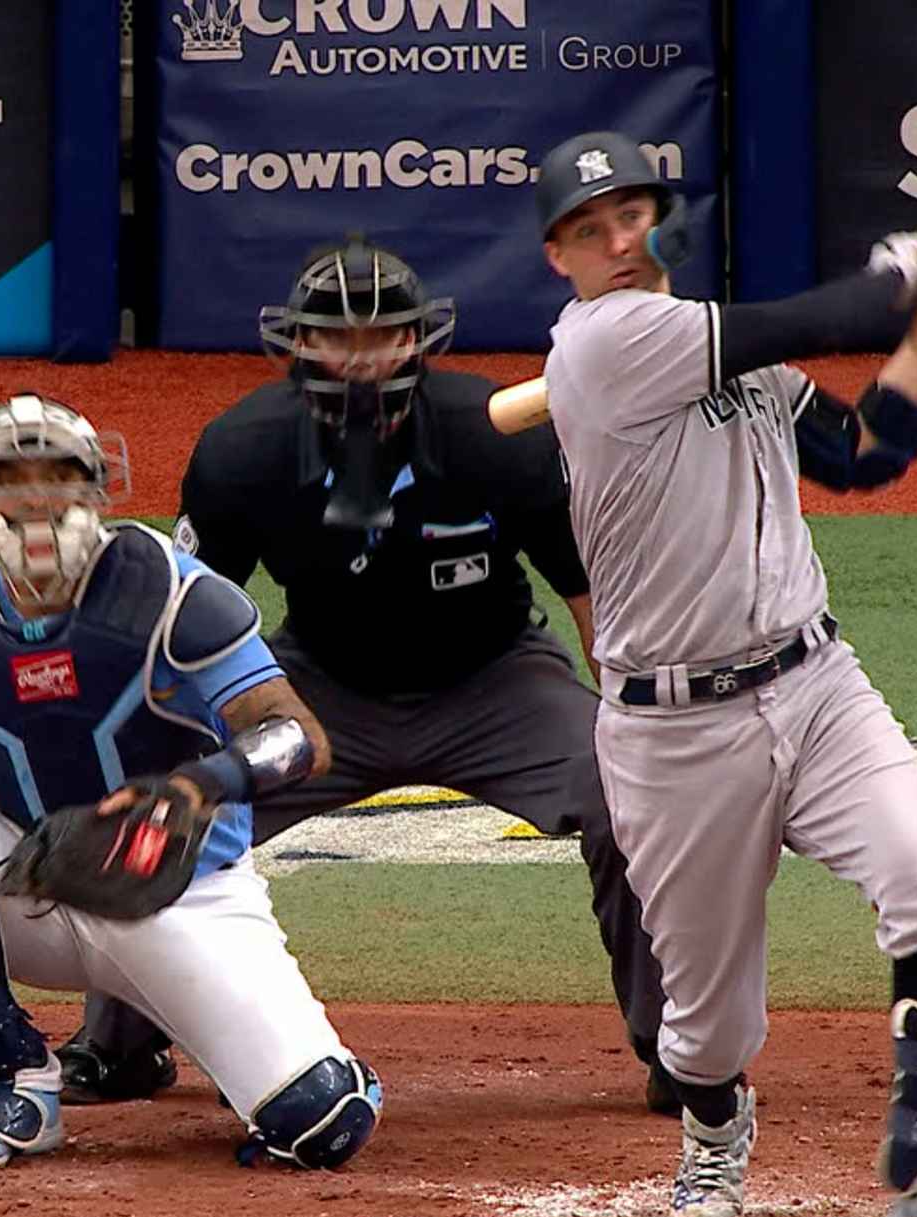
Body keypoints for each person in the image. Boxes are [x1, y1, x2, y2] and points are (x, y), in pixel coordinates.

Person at [50, 233, 679, 1116]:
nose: (359, 357)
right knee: (161, 814)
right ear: (295, 345)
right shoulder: (241, 450)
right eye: (336, 338)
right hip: (314, 692)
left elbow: (588, 593)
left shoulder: (493, 432)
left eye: (382, 335)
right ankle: (119, 1047)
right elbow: (185, 618)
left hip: (495, 680)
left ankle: (680, 1048)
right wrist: (166, 756)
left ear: (421, 341)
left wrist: (635, 723)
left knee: (634, 801)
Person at [530, 129, 917, 1217]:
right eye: (587, 231)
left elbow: (859, 454)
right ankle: (712, 1125)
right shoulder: (605, 345)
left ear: (657, 220)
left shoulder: (721, 352)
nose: (615, 240)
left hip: (814, 682)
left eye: (629, 217)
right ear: (559, 257)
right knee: (702, 1032)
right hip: (672, 729)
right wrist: (909, 273)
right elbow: (818, 319)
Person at [0, 392, 382, 1171]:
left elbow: (298, 737)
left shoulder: (172, 594)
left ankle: (237, 1045)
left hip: (183, 890)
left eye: (57, 475)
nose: (34, 498)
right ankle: (15, 1079)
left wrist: (202, 784)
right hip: (39, 877)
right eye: (7, 480)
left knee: (321, 1122)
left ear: (96, 487)